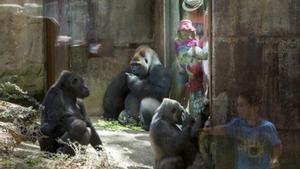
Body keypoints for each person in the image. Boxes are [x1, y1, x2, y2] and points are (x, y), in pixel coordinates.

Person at [201, 90, 283, 169]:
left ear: (255, 107)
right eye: (238, 105)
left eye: (242, 105)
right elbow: (224, 129)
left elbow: (277, 145)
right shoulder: (237, 124)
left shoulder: (267, 127)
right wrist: (206, 131)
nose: (238, 109)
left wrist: (275, 159)